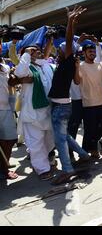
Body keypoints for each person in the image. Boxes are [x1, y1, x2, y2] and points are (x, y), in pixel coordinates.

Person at [47, 6, 91, 185]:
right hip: (64, 105)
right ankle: (83, 155)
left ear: (66, 52)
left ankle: (67, 170)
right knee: (64, 135)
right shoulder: (70, 64)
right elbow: (78, 81)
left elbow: (68, 40)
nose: (57, 51)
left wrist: (70, 21)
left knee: (60, 140)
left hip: (60, 107)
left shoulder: (67, 62)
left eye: (60, 50)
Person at [15, 40, 55, 181]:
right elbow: (19, 72)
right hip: (32, 113)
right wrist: (26, 54)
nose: (37, 51)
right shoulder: (27, 69)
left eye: (38, 49)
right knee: (36, 143)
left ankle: (44, 160)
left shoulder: (46, 67)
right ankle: (42, 169)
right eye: (33, 50)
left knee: (50, 141)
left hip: (48, 110)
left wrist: (50, 41)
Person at [74, 40, 102, 159]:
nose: (92, 53)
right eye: (90, 51)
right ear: (84, 53)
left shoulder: (99, 65)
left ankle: (93, 145)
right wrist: (76, 67)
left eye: (94, 51)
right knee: (89, 130)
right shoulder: (81, 66)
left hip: (101, 102)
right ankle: (85, 153)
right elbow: (77, 81)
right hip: (88, 104)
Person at [0, 46, 19, 180]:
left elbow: (8, 84)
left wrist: (13, 75)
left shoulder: (4, 65)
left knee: (10, 139)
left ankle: (4, 168)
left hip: (6, 108)